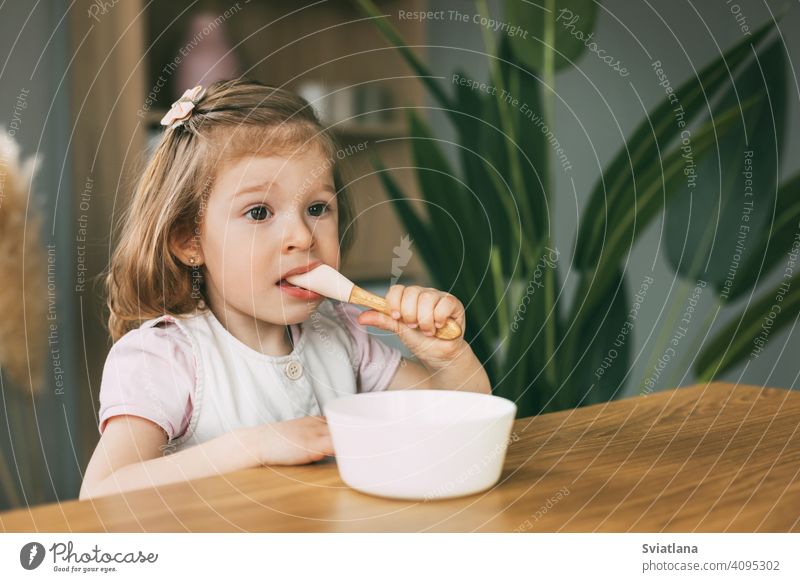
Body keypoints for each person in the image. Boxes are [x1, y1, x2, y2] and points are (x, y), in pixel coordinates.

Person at [80, 79, 491, 500]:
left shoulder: (344, 335)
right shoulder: (164, 359)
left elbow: (466, 422)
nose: (301, 235)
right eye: (259, 212)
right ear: (191, 241)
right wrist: (252, 446)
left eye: (317, 208)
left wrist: (449, 359)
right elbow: (100, 493)